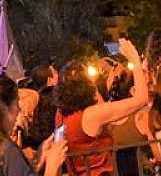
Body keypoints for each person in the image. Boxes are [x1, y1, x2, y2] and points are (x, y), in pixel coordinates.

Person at [55, 37, 149, 176]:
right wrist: (134, 58)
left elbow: (59, 145)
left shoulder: (61, 114)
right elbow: (141, 98)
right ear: (84, 86)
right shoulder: (91, 115)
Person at [0, 75, 66, 176]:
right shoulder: (5, 151)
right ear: (5, 109)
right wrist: (52, 167)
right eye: (16, 103)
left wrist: (38, 159)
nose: (19, 109)